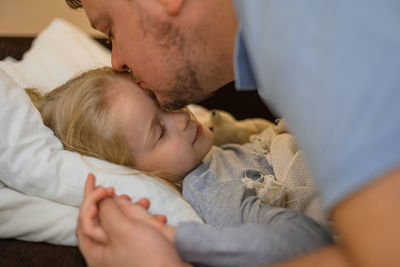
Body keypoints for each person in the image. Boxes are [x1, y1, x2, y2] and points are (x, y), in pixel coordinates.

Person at [65, 0, 400, 266]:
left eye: (110, 30)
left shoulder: (304, 26)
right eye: (158, 131)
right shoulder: (275, 53)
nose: (116, 60)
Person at [27, 66, 332, 266]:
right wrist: (178, 239)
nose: (181, 117)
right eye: (159, 131)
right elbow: (309, 241)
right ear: (138, 172)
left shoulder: (202, 152)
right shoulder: (213, 193)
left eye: (162, 103)